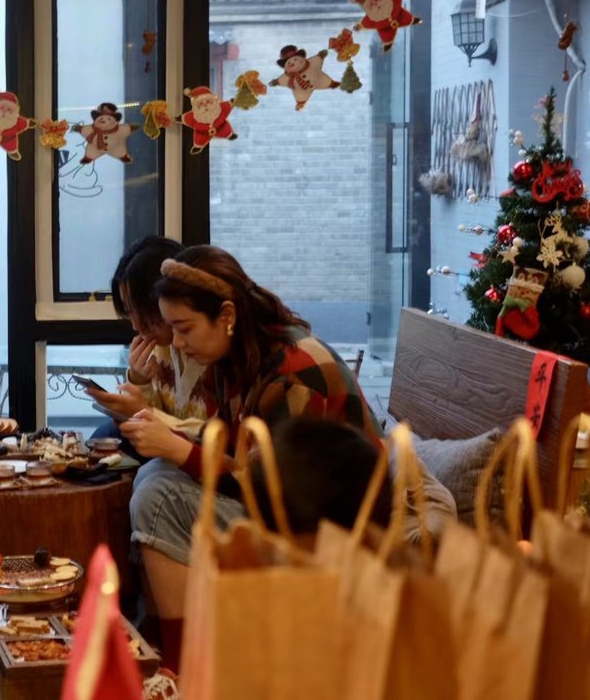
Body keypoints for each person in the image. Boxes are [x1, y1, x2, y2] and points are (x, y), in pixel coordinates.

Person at [119, 244, 394, 672]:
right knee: (154, 474)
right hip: (291, 502)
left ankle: (181, 665)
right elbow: (233, 448)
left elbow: (280, 491)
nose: (175, 342)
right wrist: (173, 444)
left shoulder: (295, 371)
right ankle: (166, 637)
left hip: (337, 524)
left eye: (184, 328)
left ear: (226, 316)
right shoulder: (234, 357)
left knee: (159, 499)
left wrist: (179, 448)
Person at [84, 236, 215, 459]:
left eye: (144, 312)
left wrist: (142, 412)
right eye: (128, 310)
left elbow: (212, 438)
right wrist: (139, 380)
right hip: (171, 446)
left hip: (200, 456)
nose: (136, 325)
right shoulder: (160, 347)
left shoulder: (209, 348)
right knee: (105, 438)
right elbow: (163, 415)